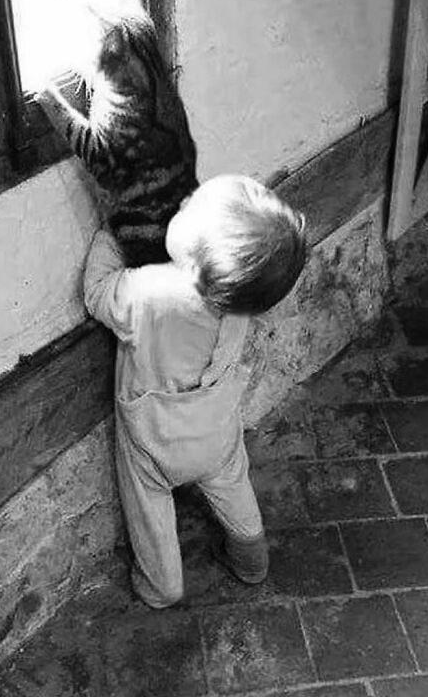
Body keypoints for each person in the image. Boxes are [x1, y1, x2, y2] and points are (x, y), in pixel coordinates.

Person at [83, 174, 307, 608]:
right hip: (215, 428)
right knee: (231, 483)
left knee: (149, 510)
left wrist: (113, 232)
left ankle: (161, 587)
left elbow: (96, 293)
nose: (182, 201)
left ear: (196, 258)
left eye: (188, 208)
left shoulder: (149, 292)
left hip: (155, 440)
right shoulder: (238, 297)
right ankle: (251, 560)